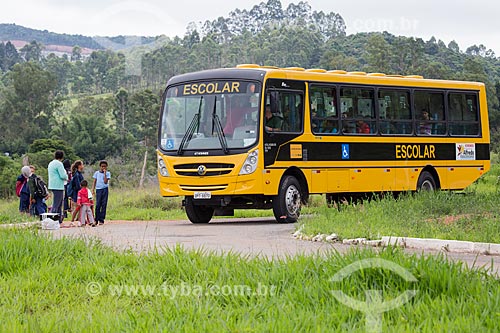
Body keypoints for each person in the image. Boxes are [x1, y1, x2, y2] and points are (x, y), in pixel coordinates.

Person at [48, 150, 68, 224]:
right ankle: (51, 219)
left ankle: (59, 220)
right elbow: (63, 175)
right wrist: (67, 177)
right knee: (56, 204)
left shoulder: (51, 163)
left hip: (52, 184)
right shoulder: (59, 164)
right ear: (62, 157)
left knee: (59, 204)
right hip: (58, 185)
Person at [92, 160, 110, 225]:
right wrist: (93, 189)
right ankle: (96, 219)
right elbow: (94, 181)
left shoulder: (108, 173)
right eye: (102, 166)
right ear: (100, 167)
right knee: (98, 204)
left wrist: (105, 174)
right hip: (98, 189)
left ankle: (101, 219)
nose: (103, 168)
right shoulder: (96, 173)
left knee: (104, 204)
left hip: (105, 189)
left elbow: (105, 181)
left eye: (104, 167)